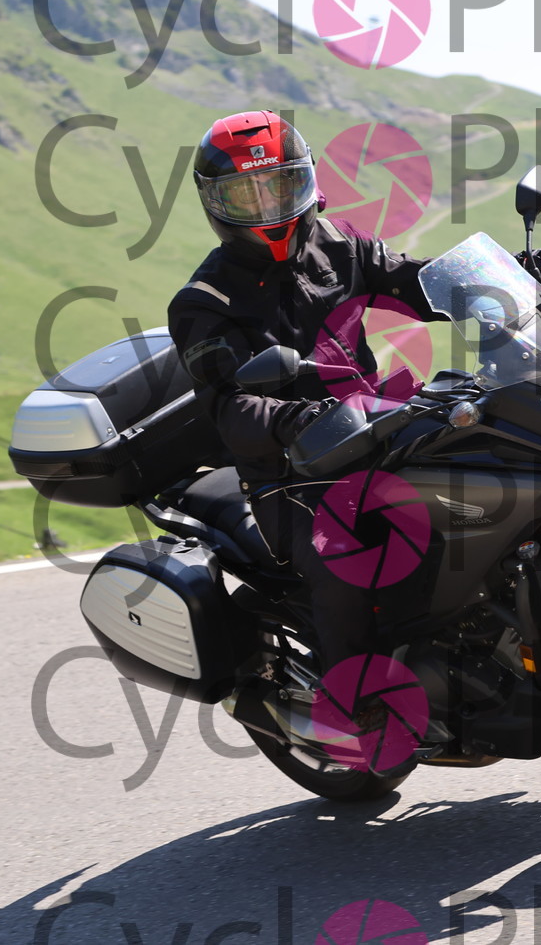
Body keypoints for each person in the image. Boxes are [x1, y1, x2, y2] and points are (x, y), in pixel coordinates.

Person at [166, 109, 434, 672]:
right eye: (246, 196)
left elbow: (419, 282)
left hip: (378, 430)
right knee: (345, 560)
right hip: (291, 476)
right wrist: (302, 419)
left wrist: (507, 277)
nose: (268, 206)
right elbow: (232, 410)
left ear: (307, 180)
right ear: (215, 204)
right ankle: (357, 702)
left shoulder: (341, 245)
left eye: (280, 185)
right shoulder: (204, 302)